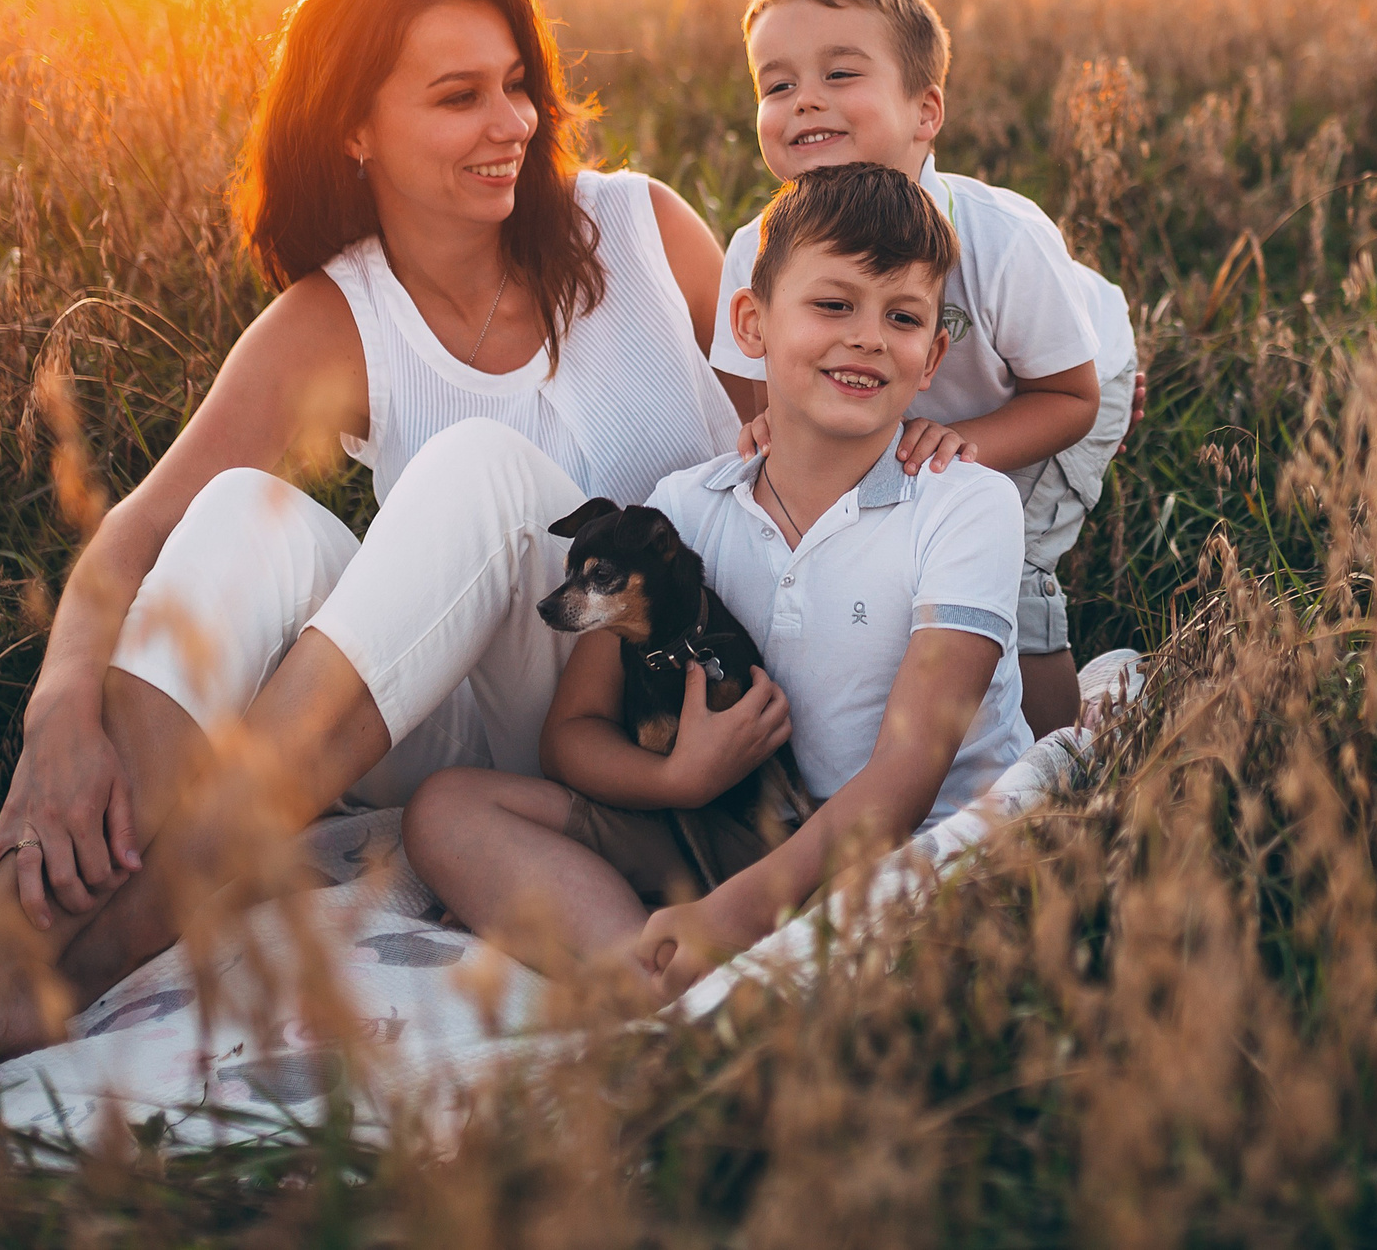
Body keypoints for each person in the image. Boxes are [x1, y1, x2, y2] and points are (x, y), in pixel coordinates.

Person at [0, 0, 742, 1113]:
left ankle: (125, 926)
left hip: (658, 700)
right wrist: (58, 712)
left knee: (479, 470)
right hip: (481, 736)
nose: (512, 122)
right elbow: (133, 540)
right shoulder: (337, 315)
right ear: (354, 131)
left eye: (517, 83)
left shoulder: (641, 232)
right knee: (232, 515)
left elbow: (801, 442)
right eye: (458, 95)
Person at [404, 162, 1034, 1001]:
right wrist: (677, 781)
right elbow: (574, 733)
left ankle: (718, 975)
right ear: (751, 322)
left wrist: (733, 914)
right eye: (834, 304)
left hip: (906, 851)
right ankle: (656, 974)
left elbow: (905, 775)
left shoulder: (965, 505)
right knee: (447, 810)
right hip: (727, 827)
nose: (869, 336)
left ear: (932, 358)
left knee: (906, 930)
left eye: (905, 317)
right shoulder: (684, 511)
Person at [709, 0, 1140, 739]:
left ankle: (1054, 752)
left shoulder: (1000, 240)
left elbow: (1069, 394)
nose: (805, 98)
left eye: (841, 74)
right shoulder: (755, 253)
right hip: (890, 392)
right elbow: (753, 395)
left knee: (1002, 552)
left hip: (1050, 386)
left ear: (925, 111)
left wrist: (968, 446)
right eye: (777, 86)